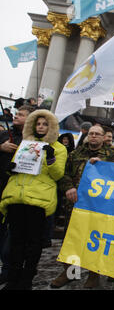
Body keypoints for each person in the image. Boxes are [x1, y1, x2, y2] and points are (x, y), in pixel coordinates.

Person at [0, 109, 67, 290]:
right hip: (16, 197)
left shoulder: (59, 148)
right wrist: (10, 167)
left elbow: (57, 174)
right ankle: (13, 278)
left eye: (45, 124)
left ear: (51, 126)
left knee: (33, 243)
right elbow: (12, 168)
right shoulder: (25, 144)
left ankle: (26, 279)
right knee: (15, 241)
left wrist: (51, 157)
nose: (41, 127)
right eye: (38, 124)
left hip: (39, 200)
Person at [50, 125, 114, 289]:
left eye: (97, 134)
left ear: (104, 137)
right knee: (72, 239)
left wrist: (103, 165)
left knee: (95, 241)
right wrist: (68, 187)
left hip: (99, 208)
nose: (94, 136)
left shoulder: (112, 156)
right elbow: (63, 174)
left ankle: (93, 275)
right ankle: (71, 273)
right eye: (91, 133)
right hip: (75, 205)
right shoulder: (75, 154)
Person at [0, 105, 34, 285]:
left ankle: (7, 271)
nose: (16, 116)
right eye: (16, 113)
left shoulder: (32, 140)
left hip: (14, 192)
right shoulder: (5, 135)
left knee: (11, 238)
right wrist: (1, 147)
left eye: (21, 115)